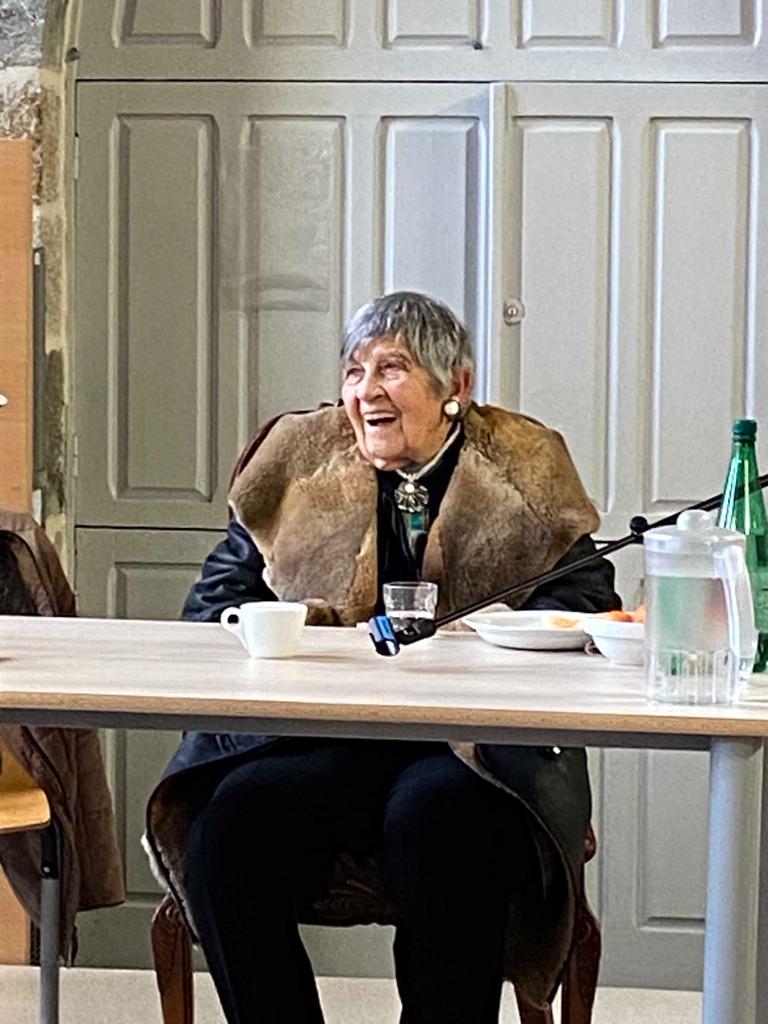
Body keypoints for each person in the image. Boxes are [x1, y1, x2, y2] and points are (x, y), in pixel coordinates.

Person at [145, 292, 620, 1024]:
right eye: (354, 371)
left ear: (456, 385)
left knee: (438, 821)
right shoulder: (299, 463)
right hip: (319, 738)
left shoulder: (524, 469)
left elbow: (587, 601)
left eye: (392, 369)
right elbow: (212, 608)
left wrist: (498, 632)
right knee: (227, 829)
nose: (366, 391)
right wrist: (299, 627)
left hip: (469, 746)